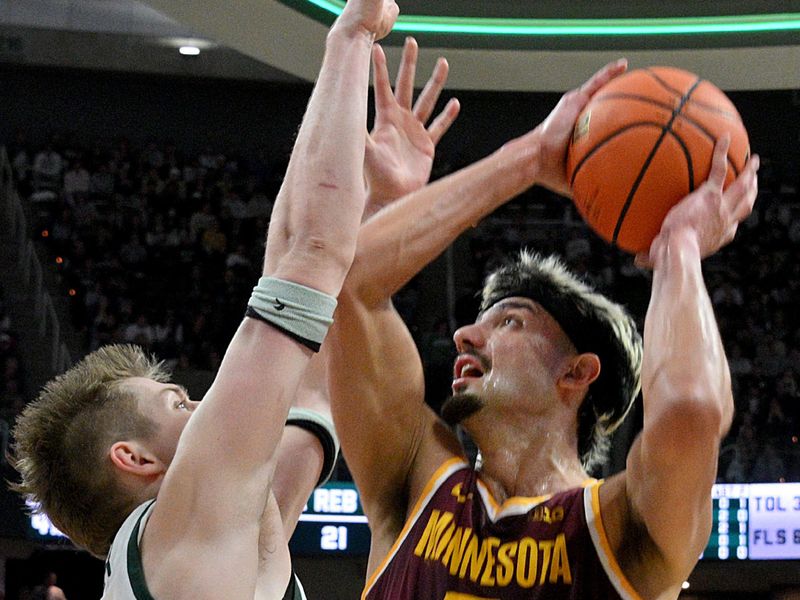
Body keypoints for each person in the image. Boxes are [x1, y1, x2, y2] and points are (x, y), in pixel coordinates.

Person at [326, 58, 760, 598]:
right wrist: (527, 157)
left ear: (576, 373)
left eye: (510, 321)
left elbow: (691, 406)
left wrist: (679, 248)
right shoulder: (416, 478)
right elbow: (350, 288)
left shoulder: (622, 527)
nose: (465, 335)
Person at [10, 1, 399, 599]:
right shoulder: (177, 531)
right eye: (177, 402)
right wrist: (348, 39)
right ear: (135, 459)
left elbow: (312, 381)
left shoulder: (210, 538)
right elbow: (311, 252)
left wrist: (379, 211)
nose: (203, 406)